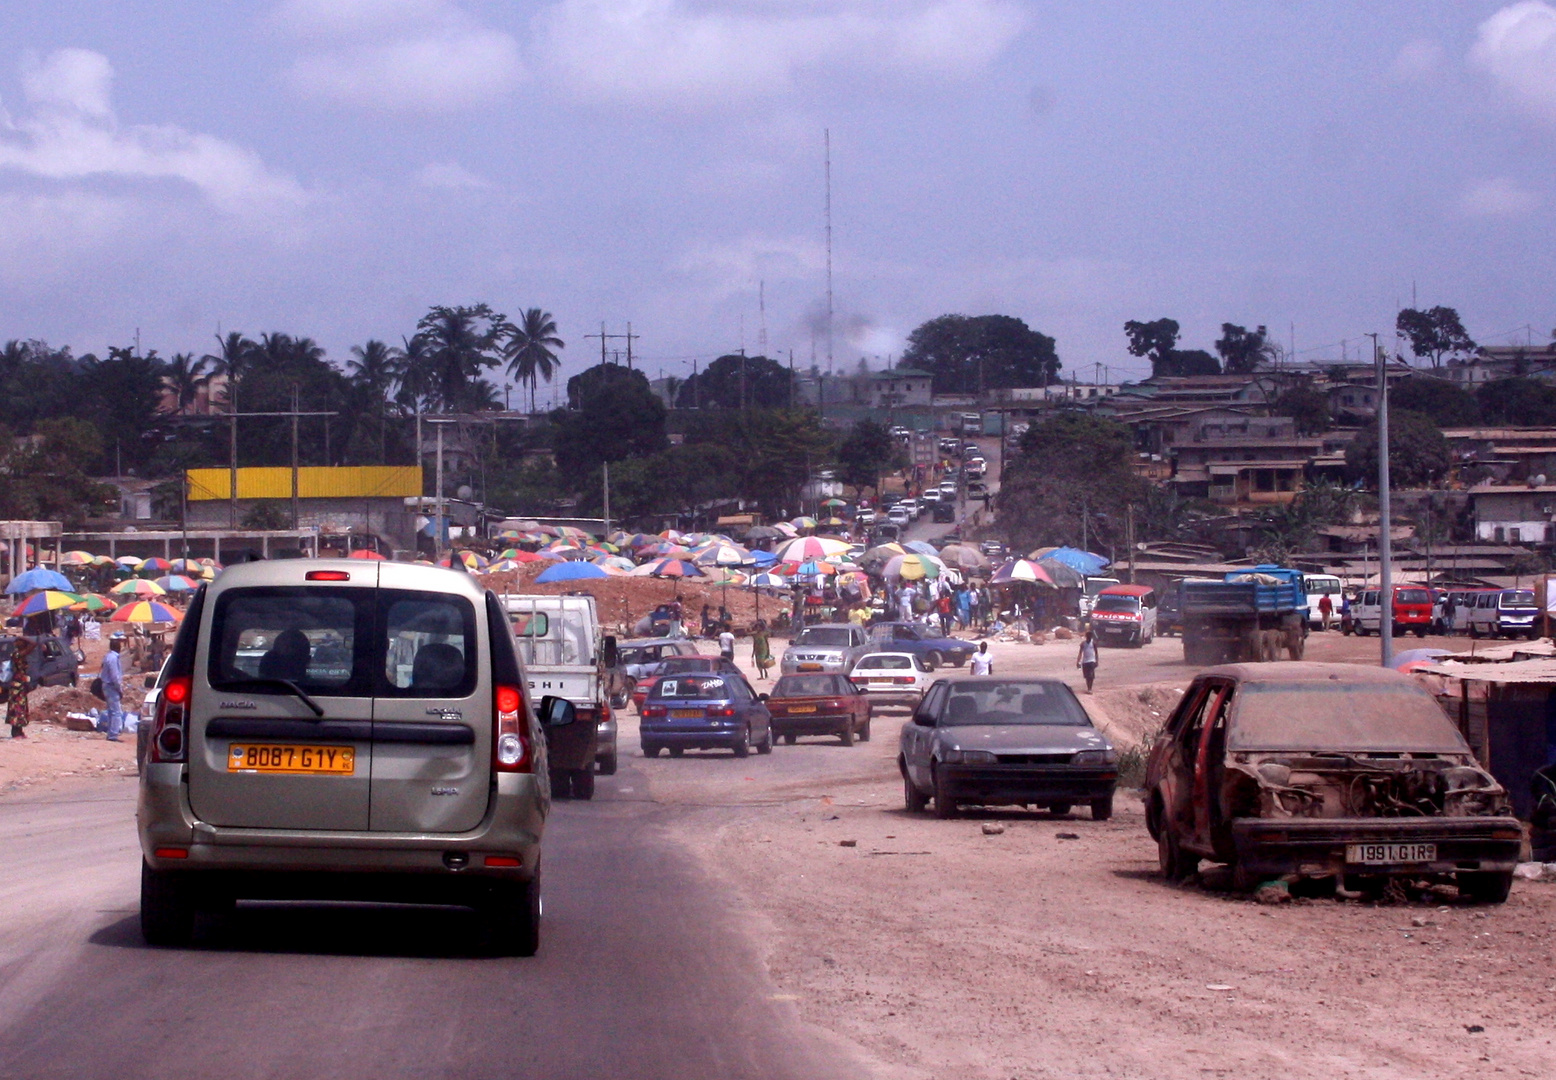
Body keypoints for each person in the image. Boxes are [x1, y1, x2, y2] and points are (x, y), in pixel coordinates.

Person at [100, 634, 126, 741]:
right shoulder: (114, 658)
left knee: (111, 711)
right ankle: (113, 734)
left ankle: (110, 733)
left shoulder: (107, 656)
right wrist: (120, 689)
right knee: (116, 712)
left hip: (106, 685)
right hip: (111, 686)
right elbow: (115, 676)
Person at [5, 635, 31, 738]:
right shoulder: (18, 654)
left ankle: (19, 731)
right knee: (17, 709)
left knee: (21, 708)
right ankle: (15, 732)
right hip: (17, 685)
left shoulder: (19, 654)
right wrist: (23, 637)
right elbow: (33, 644)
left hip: (20, 684)